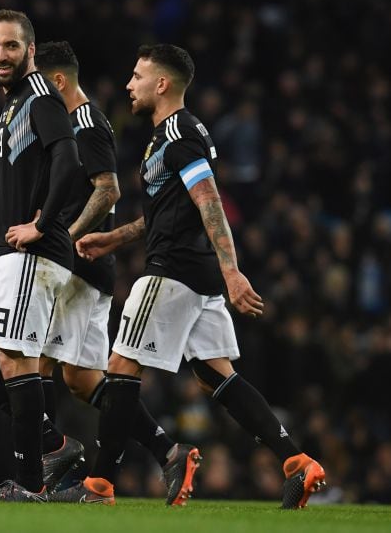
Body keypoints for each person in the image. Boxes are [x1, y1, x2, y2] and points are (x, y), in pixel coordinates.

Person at [60, 44, 326, 509]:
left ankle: (97, 485)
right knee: (215, 374)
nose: (129, 84)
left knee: (121, 367)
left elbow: (208, 200)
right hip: (193, 273)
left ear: (162, 84)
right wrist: (112, 239)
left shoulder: (179, 130)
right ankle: (297, 462)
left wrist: (233, 272)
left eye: (138, 76)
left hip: (174, 272)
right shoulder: (166, 136)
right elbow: (165, 212)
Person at [34, 40, 201, 506]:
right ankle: (168, 452)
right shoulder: (69, 123)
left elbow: (107, 191)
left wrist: (60, 235)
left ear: (58, 81)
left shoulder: (85, 124)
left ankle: (43, 472)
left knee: (31, 360)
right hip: (88, 264)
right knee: (82, 380)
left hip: (75, 266)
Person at [0, 9, 82, 502]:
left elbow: (69, 160)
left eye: (10, 46)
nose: (0, 56)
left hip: (34, 252)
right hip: (4, 253)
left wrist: (42, 224)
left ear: (30, 50)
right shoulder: (12, 105)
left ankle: (29, 483)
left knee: (16, 362)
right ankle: (52, 442)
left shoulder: (41, 97)